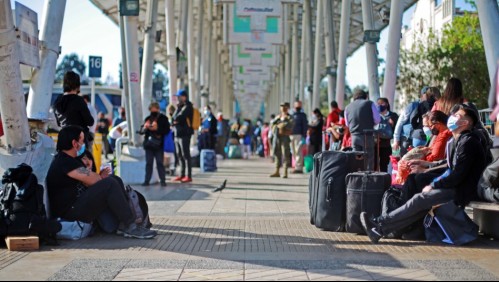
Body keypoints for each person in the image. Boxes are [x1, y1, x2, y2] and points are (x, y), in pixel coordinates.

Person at [361, 104, 487, 244]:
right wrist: (428, 167)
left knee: (420, 199)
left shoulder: (469, 142)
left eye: (457, 116)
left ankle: (379, 226)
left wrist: (434, 184)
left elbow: (457, 174)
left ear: (466, 123)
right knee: (419, 200)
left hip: (462, 191)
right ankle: (379, 229)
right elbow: (450, 165)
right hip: (457, 187)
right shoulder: (459, 140)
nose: (452, 117)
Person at [46, 126, 157, 239]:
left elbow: (90, 181)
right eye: (82, 140)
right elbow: (95, 179)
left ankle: (124, 224)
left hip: (76, 206)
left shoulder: (69, 160)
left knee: (114, 179)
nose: (84, 143)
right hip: (69, 213)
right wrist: (98, 176)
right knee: (109, 183)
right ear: (74, 143)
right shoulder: (64, 161)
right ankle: (131, 226)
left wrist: (93, 172)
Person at [53, 71, 95, 145]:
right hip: (78, 141)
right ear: (77, 85)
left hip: (64, 140)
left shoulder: (57, 101)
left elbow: (59, 123)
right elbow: (90, 122)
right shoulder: (79, 100)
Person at [344, 90, 381, 170]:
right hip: (367, 135)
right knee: (369, 158)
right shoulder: (369, 103)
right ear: (366, 96)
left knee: (356, 158)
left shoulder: (347, 107)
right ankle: (368, 178)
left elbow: (347, 124)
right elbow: (377, 119)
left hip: (354, 136)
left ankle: (356, 177)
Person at [392, 87, 429, 156]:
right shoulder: (413, 105)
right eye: (427, 94)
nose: (429, 97)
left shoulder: (430, 106)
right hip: (406, 139)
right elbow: (400, 122)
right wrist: (396, 140)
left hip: (420, 139)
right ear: (422, 95)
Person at [142, 103, 170, 187]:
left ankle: (163, 180)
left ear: (158, 109)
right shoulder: (147, 119)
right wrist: (146, 128)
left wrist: (157, 129)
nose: (153, 111)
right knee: (149, 163)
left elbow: (166, 130)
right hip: (149, 145)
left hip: (159, 144)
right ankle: (146, 180)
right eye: (151, 109)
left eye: (154, 109)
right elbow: (143, 132)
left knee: (159, 163)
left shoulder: (163, 119)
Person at [172, 89, 194, 183]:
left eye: (179, 97)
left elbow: (179, 117)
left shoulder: (188, 106)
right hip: (178, 134)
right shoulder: (180, 107)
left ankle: (188, 175)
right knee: (179, 155)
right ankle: (181, 174)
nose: (178, 98)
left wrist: (176, 118)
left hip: (185, 134)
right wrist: (177, 110)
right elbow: (173, 118)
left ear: (184, 97)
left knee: (186, 155)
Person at [270, 103, 294, 178]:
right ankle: (277, 171)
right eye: (281, 107)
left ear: (287, 108)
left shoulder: (290, 117)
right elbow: (272, 125)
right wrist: (277, 126)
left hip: (285, 137)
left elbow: (290, 125)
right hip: (277, 137)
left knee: (285, 154)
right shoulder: (278, 117)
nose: (283, 108)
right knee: (277, 153)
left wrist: (282, 125)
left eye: (284, 107)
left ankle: (285, 171)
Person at [375, 98, 399, 172]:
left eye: (382, 103)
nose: (379, 105)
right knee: (374, 165)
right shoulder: (375, 116)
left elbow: (397, 130)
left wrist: (392, 124)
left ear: (387, 104)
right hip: (375, 144)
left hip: (386, 145)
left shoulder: (393, 115)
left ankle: (383, 181)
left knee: (384, 165)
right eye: (378, 104)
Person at [291, 101, 308, 174]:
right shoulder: (292, 115)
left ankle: (299, 167)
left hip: (299, 135)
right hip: (291, 135)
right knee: (293, 151)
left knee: (298, 151)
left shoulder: (302, 115)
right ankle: (295, 165)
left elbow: (305, 126)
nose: (297, 107)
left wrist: (304, 136)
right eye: (296, 105)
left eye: (298, 105)